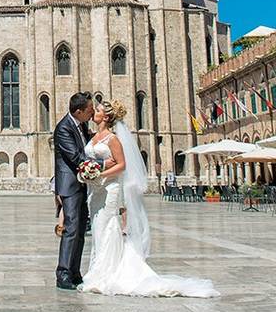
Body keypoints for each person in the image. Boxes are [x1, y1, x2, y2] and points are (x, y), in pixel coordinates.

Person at [78, 99, 218, 298]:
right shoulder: (92, 136)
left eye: (98, 110)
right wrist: (90, 172)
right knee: (100, 229)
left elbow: (122, 165)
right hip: (95, 191)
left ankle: (104, 275)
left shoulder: (113, 138)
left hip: (109, 189)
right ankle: (99, 272)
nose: (94, 112)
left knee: (107, 228)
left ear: (106, 117)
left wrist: (99, 174)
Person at [54, 92, 103, 290]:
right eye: (89, 109)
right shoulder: (63, 128)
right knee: (72, 229)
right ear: (78, 111)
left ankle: (74, 272)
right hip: (70, 186)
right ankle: (63, 273)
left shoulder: (81, 125)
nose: (92, 112)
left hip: (81, 184)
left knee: (80, 229)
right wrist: (104, 164)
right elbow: (75, 157)